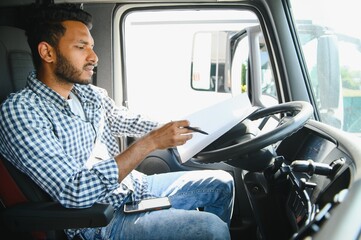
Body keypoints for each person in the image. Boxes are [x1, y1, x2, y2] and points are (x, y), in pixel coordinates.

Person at [0, 4, 234, 240]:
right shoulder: (22, 112)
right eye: (81, 48)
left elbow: (129, 120)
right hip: (97, 219)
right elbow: (74, 192)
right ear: (47, 53)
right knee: (210, 229)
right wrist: (149, 143)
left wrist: (186, 129)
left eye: (91, 47)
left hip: (130, 188)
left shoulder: (87, 94)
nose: (94, 57)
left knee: (221, 183)